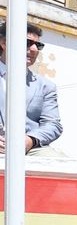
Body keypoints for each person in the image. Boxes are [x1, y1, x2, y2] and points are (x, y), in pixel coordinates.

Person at [0, 19, 62, 156]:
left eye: (38, 45)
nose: (34, 49)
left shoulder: (46, 86)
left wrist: (30, 140)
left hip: (30, 149)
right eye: (27, 43)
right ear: (4, 43)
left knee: (58, 161)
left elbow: (53, 125)